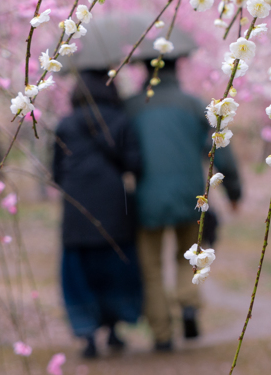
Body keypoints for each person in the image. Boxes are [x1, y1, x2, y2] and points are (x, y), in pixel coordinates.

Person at [126, 58, 242, 351]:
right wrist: (234, 191)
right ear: (177, 69)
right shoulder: (193, 104)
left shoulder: (132, 107)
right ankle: (188, 305)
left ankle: (162, 333)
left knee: (151, 267)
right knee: (187, 255)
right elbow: (218, 148)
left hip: (146, 200)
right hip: (191, 197)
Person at [52, 70, 143, 359]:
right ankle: (115, 330)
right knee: (115, 271)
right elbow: (135, 164)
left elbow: (55, 173)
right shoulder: (120, 121)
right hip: (114, 211)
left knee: (79, 275)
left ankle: (88, 335)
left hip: (77, 213)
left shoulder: (65, 125)